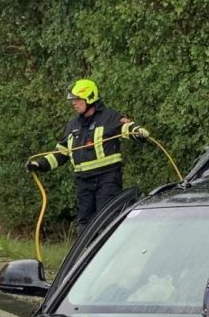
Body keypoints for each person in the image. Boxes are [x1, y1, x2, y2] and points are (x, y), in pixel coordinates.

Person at [26, 79, 148, 230]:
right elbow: (62, 153)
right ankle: (87, 253)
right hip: (84, 183)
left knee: (107, 222)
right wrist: (40, 164)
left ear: (89, 98)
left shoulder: (109, 117)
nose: (74, 103)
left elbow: (126, 127)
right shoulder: (73, 125)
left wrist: (137, 132)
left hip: (107, 179)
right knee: (85, 227)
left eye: (77, 100)